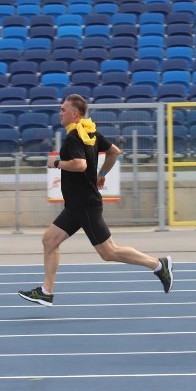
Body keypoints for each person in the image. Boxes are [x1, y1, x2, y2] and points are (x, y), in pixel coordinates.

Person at [19, 94, 173, 306]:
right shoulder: (89, 132)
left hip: (84, 205)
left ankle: (158, 265)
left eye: (64, 109)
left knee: (109, 252)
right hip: (75, 206)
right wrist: (102, 174)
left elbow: (80, 165)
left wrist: (56, 163)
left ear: (75, 113)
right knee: (49, 240)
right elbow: (114, 152)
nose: (60, 113)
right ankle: (47, 291)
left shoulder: (75, 137)